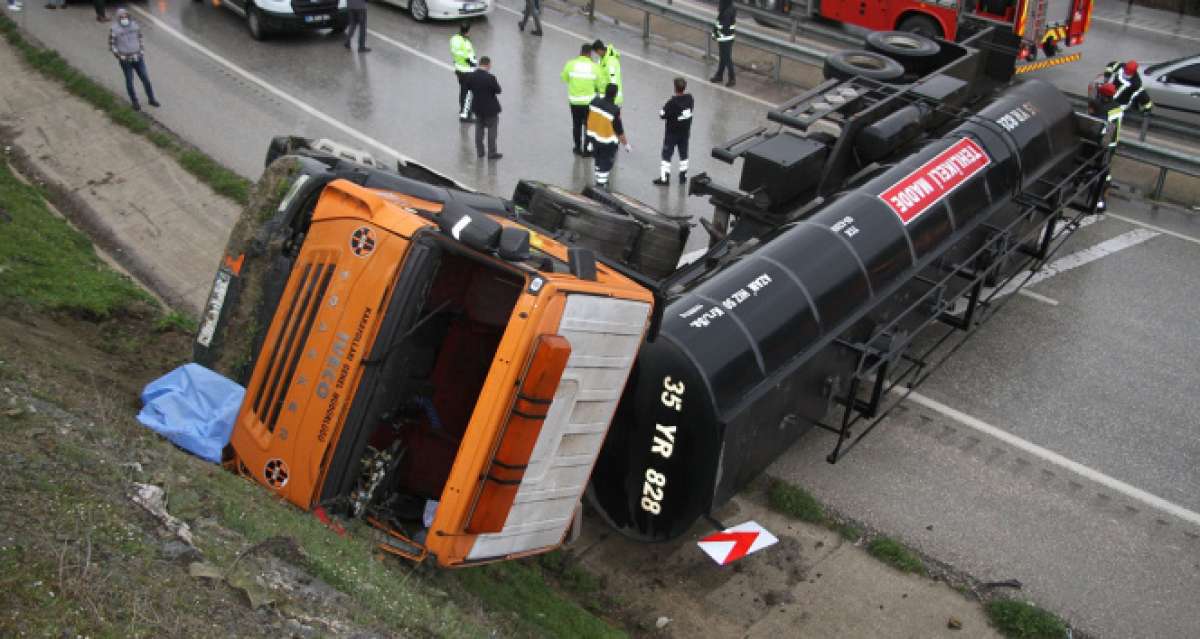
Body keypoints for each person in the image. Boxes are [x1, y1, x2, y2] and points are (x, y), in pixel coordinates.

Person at [110, 9, 159, 111]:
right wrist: (118, 55)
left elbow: (140, 38)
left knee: (145, 79)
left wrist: (141, 50)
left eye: (125, 16)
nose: (124, 19)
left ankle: (151, 98)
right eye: (122, 17)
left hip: (138, 58)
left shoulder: (134, 26)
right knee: (129, 81)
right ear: (118, 18)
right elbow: (112, 44)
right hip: (125, 60)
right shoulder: (114, 29)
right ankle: (135, 102)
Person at [561, 43, 606, 157]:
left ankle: (577, 147)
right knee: (589, 126)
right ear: (590, 54)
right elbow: (601, 85)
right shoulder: (595, 67)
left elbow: (564, 78)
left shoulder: (570, 64)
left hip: (574, 101)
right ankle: (587, 150)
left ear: (580, 52)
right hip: (589, 102)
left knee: (576, 125)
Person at [586, 83, 629, 189]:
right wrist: (626, 144)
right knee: (606, 164)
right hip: (607, 142)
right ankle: (601, 186)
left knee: (598, 161)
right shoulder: (614, 110)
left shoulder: (594, 102)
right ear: (615, 95)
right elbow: (619, 131)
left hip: (593, 138)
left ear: (605, 91)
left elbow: (589, 119)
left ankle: (599, 180)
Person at [653, 77, 694, 186]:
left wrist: (663, 110)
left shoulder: (672, 103)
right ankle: (683, 175)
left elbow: (662, 115)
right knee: (684, 154)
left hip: (672, 134)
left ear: (675, 88)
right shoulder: (690, 99)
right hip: (685, 133)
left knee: (666, 155)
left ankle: (664, 178)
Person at [465, 56, 503, 160]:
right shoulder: (490, 78)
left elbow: (467, 87)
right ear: (487, 64)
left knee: (479, 129)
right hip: (490, 108)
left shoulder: (471, 76)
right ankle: (491, 153)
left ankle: (480, 152)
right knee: (492, 131)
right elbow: (498, 90)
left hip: (477, 107)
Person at [450, 23, 478, 121]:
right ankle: (465, 116)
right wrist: (475, 63)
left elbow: (456, 53)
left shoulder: (454, 39)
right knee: (468, 94)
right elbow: (471, 60)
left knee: (463, 92)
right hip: (467, 72)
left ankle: (462, 110)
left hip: (458, 70)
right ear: (468, 31)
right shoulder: (466, 44)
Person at [710, 0, 736, 87]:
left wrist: (717, 34)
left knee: (727, 58)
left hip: (725, 39)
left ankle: (732, 78)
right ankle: (719, 75)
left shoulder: (727, 12)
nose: (719, 4)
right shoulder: (727, 9)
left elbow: (724, 27)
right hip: (724, 38)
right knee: (723, 58)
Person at [592, 40, 623, 105]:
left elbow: (613, 81)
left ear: (599, 50)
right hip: (605, 97)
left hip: (612, 99)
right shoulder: (602, 59)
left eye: (596, 52)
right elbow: (600, 75)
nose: (597, 54)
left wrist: (609, 99)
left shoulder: (611, 62)